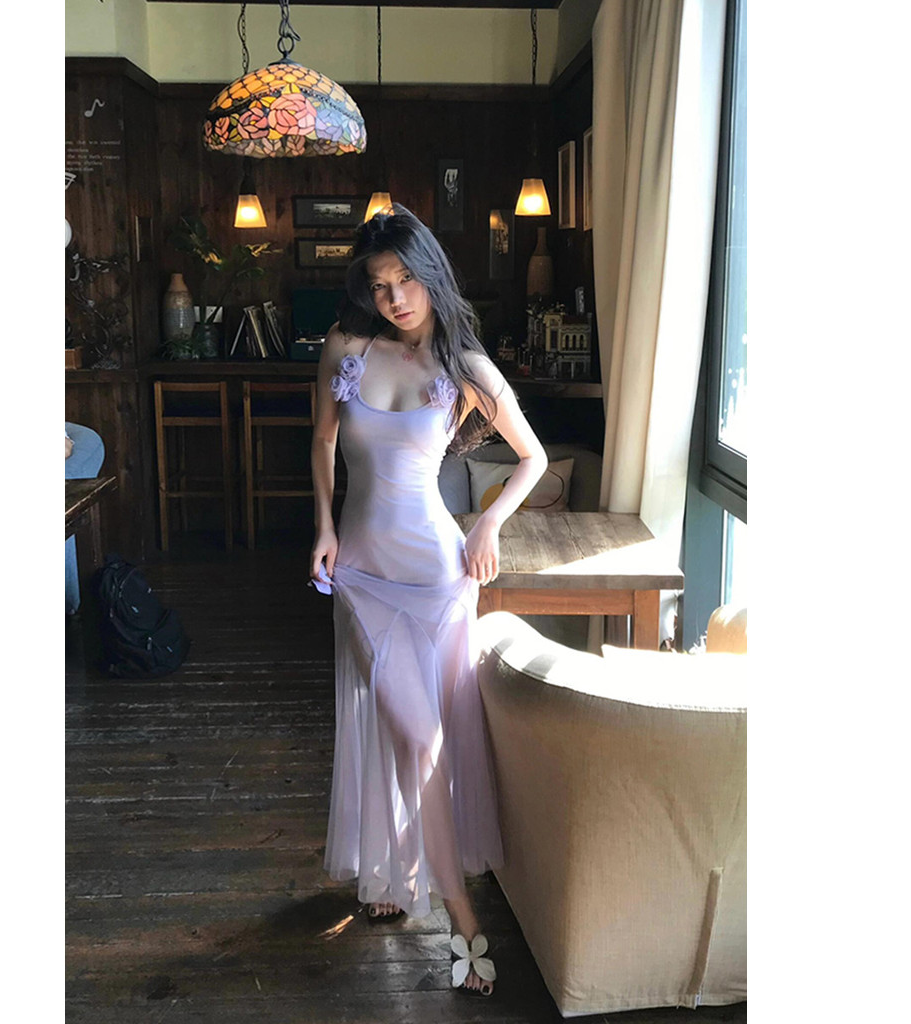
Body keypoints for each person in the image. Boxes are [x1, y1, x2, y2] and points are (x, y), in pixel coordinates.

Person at [309, 205, 548, 996]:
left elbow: (532, 458)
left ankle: (411, 883)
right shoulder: (345, 348)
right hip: (362, 578)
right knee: (413, 733)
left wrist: (487, 523)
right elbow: (324, 441)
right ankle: (462, 922)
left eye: (407, 279)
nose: (395, 298)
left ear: (431, 275)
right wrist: (323, 529)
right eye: (380, 285)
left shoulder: (464, 366)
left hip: (440, 579)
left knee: (423, 739)